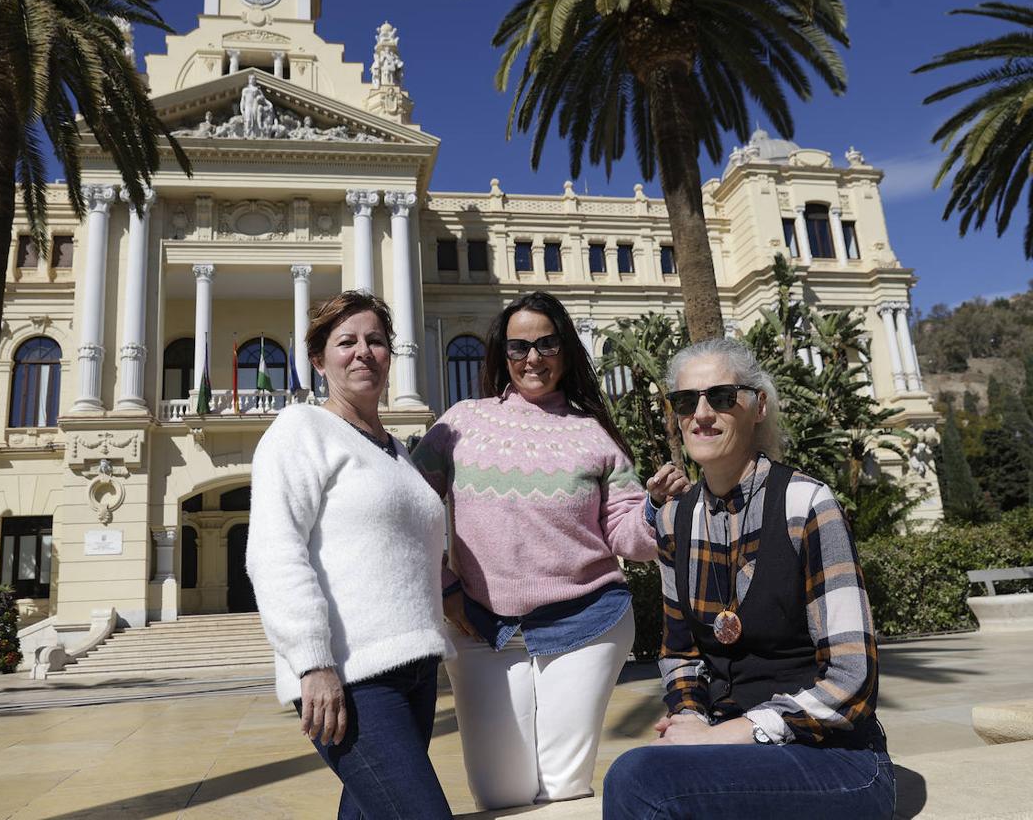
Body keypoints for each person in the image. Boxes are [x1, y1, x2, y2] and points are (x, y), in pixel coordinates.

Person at [412, 291, 688, 810]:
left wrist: (653, 508)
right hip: (480, 624)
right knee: (502, 793)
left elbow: (627, 538)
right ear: (501, 353)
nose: (532, 358)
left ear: (565, 350)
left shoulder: (595, 434)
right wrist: (445, 588)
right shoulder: (459, 423)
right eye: (518, 347)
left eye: (546, 344)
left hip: (588, 620)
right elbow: (408, 512)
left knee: (563, 788)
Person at [603, 337, 895, 819]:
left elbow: (852, 680)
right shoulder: (676, 520)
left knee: (639, 780)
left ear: (758, 405)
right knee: (648, 774)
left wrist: (724, 735)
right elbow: (680, 653)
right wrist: (690, 717)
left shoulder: (807, 504)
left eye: (720, 397)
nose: (701, 414)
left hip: (838, 761)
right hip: (735, 750)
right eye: (684, 401)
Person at [246, 291, 454, 820]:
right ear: (318, 360)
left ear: (390, 355)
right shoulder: (300, 429)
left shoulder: (398, 453)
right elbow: (275, 552)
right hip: (353, 679)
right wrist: (312, 662)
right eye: (346, 342)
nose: (363, 351)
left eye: (376, 341)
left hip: (418, 671)